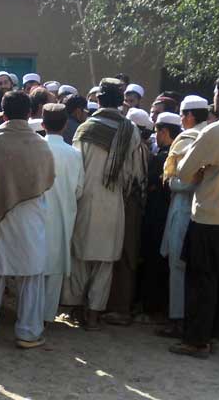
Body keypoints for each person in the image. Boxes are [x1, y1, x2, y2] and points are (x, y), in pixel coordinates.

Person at [0, 91, 54, 348]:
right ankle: (28, 332)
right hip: (30, 217)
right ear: (30, 113)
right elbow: (48, 179)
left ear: (3, 113)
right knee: (30, 277)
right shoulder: (40, 144)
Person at [169, 74, 219, 358]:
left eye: (215, 92)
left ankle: (196, 341)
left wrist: (203, 171)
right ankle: (213, 333)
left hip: (208, 216)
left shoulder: (215, 131)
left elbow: (184, 170)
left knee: (201, 281)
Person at [62, 78, 145, 331]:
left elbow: (76, 169)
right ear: (120, 102)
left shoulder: (84, 129)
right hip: (113, 202)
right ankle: (94, 315)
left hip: (84, 201)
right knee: (105, 263)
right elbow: (136, 174)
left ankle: (75, 309)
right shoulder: (131, 130)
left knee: (80, 258)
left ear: (98, 100)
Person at [158, 95, 209, 338]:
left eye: (182, 115)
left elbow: (191, 180)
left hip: (187, 210)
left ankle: (178, 320)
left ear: (189, 116)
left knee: (179, 266)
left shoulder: (193, 139)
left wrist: (171, 181)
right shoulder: (208, 135)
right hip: (192, 210)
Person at [104, 107, 151, 326]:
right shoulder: (142, 148)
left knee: (126, 255)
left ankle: (120, 309)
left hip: (130, 204)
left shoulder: (138, 149)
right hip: (129, 205)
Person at [41, 104, 84, 323]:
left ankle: (30, 315)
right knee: (54, 272)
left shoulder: (36, 148)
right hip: (62, 220)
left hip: (36, 220)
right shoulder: (74, 154)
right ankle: (47, 317)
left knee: (34, 271)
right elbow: (79, 190)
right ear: (65, 124)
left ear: (42, 123)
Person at [139, 112, 181, 321]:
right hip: (171, 215)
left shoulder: (164, 157)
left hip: (157, 217)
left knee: (154, 261)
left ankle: (151, 308)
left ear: (164, 132)